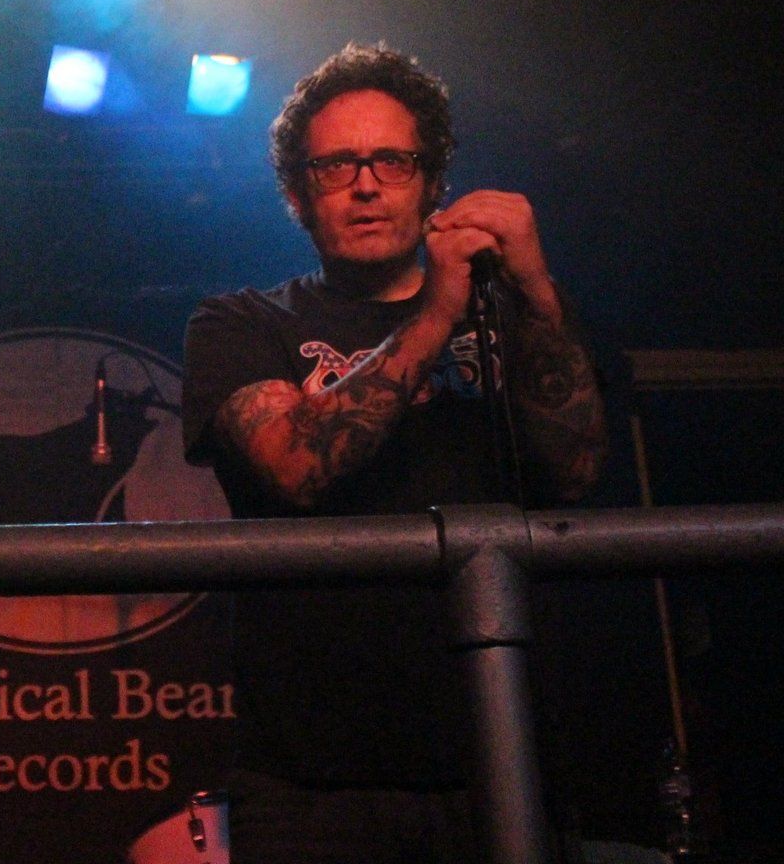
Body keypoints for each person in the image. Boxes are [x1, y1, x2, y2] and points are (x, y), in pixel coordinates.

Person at [182, 44, 605, 864]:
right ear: (298, 195)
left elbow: (579, 470)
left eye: (393, 161)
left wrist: (535, 289)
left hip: (504, 759)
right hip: (313, 785)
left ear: (433, 183)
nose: (367, 184)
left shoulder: (522, 319)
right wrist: (437, 315)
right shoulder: (241, 324)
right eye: (336, 165)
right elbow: (296, 466)